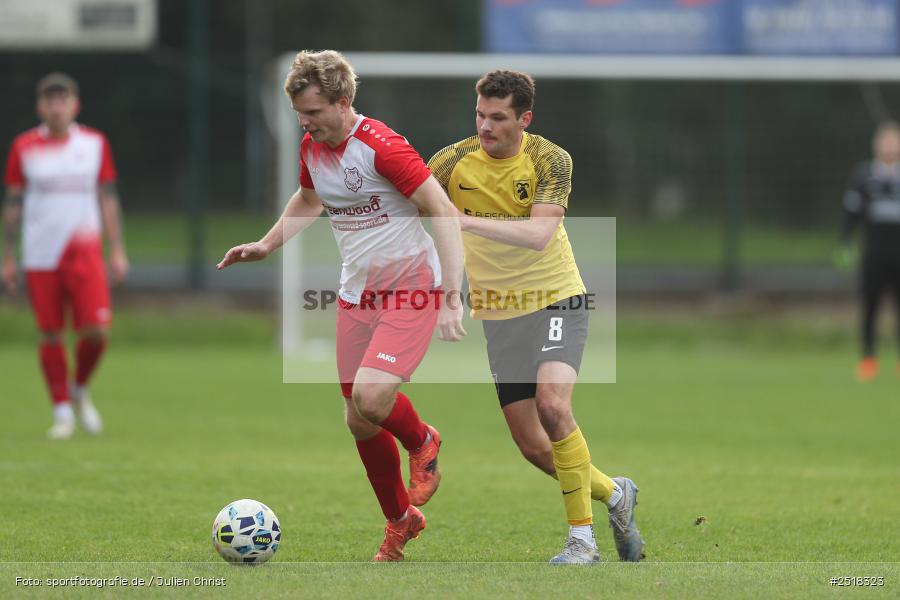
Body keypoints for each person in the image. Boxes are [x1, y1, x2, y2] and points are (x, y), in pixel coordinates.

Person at [217, 50, 466, 562]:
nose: (304, 123)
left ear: (343, 102)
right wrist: (267, 244)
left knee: (374, 399)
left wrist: (450, 296)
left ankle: (423, 441)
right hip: (358, 294)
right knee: (359, 420)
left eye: (312, 112)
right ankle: (401, 522)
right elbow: (309, 200)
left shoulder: (383, 148)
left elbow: (441, 209)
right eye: (300, 114)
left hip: (411, 287)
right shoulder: (313, 147)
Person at [428, 70, 643, 564]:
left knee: (552, 407)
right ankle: (616, 494)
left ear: (524, 118)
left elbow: (538, 235)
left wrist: (457, 220)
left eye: (498, 117)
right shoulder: (450, 162)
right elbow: (412, 202)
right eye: (480, 114)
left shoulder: (550, 159)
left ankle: (581, 541)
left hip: (556, 297)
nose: (485, 126)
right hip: (500, 312)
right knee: (531, 444)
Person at [3, 72, 129, 440]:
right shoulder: (24, 147)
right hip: (41, 254)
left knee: (97, 332)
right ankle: (61, 411)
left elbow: (107, 197)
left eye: (63, 101)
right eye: (49, 101)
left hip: (86, 253)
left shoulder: (93, 144)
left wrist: (117, 249)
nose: (56, 108)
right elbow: (13, 203)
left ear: (74, 105)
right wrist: (8, 256)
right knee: (50, 333)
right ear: (40, 106)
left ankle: (78, 387)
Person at [837, 121, 900, 382]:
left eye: (894, 141)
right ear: (876, 145)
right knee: (870, 307)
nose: (889, 146)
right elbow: (851, 214)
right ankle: (868, 359)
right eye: (885, 141)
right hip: (873, 254)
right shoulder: (863, 176)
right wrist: (845, 242)